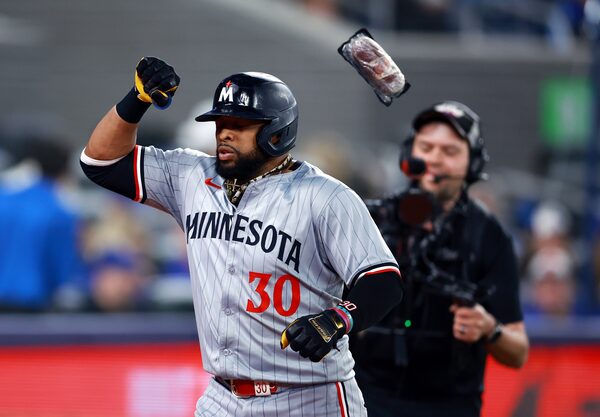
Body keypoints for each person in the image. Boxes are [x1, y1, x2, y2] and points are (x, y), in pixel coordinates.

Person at [80, 57, 404, 416]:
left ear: (277, 132)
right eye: (221, 123)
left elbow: (383, 280)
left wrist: (337, 320)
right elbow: (101, 162)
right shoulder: (190, 176)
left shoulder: (326, 197)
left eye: (239, 125)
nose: (224, 133)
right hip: (222, 397)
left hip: (310, 395)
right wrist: (136, 100)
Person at [351, 101, 529, 417]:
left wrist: (488, 328)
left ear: (472, 162)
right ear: (409, 154)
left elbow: (518, 352)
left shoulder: (488, 235)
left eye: (449, 151)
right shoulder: (372, 220)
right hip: (364, 398)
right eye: (426, 147)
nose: (434, 159)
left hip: (450, 405)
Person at [0, 135, 85, 312]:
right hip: (31, 304)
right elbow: (61, 270)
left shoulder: (4, 198)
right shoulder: (60, 212)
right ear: (64, 171)